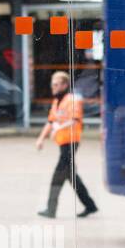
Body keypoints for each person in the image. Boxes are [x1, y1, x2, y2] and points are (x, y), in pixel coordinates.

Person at [35, 70, 98, 218]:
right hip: (63, 143)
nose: (54, 88)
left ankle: (51, 209)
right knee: (72, 177)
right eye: (52, 85)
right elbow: (51, 121)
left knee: (57, 177)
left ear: (64, 84)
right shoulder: (57, 101)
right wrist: (41, 138)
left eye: (56, 85)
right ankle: (90, 205)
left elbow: (74, 120)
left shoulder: (72, 100)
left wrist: (58, 128)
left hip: (70, 143)